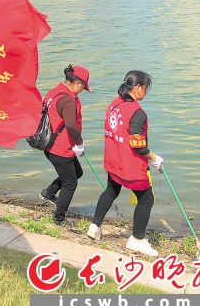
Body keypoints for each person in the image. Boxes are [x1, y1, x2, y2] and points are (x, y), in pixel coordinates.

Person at [87, 71, 163, 258]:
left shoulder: (114, 105)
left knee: (111, 190)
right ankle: (137, 240)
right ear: (137, 88)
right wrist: (153, 158)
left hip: (114, 160)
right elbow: (137, 144)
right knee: (146, 199)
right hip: (131, 166)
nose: (145, 92)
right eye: (145, 88)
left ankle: (94, 226)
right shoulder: (137, 112)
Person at [39, 64, 90, 226]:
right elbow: (71, 125)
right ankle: (59, 218)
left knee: (77, 172)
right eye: (83, 87)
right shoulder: (68, 101)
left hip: (50, 145)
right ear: (77, 84)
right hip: (60, 149)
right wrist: (79, 143)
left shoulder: (54, 92)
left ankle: (49, 193)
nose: (82, 90)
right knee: (71, 183)